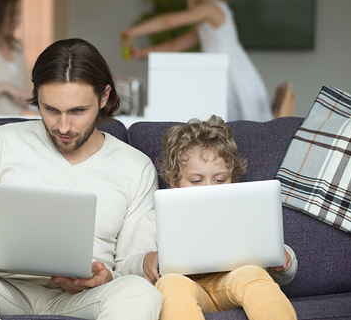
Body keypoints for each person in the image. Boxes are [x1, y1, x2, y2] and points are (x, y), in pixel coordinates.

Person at [0, 38, 163, 320]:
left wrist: (105, 277)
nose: (63, 127)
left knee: (140, 292)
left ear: (104, 97)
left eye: (77, 111)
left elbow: (134, 260)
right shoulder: (4, 142)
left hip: (85, 299)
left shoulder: (135, 167)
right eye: (50, 110)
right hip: (5, 290)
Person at [122, 115, 297, 320]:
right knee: (170, 283)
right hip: (187, 288)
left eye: (220, 180)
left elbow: (280, 262)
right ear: (174, 181)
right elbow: (126, 267)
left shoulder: (243, 212)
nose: (208, 189)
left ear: (232, 178)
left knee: (253, 273)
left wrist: (284, 260)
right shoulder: (155, 220)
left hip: (231, 283)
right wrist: (146, 259)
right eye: (196, 180)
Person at [120, 0, 273, 122]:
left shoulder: (212, 9)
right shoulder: (206, 20)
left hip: (231, 73)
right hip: (221, 73)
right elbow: (177, 45)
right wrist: (141, 52)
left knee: (237, 120)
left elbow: (169, 21)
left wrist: (134, 31)